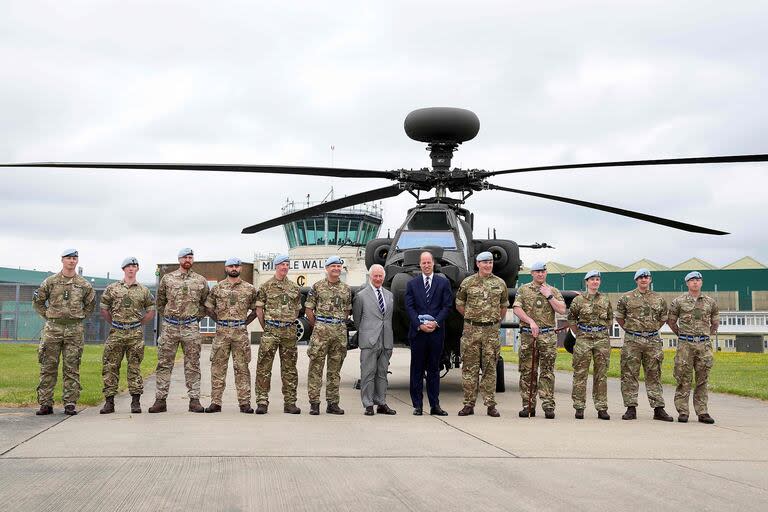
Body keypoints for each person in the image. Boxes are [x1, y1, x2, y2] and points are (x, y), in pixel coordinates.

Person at [32, 248, 96, 415]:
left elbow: (90, 305)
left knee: (72, 366)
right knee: (48, 366)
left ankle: (70, 403)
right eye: (68, 258)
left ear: (77, 261)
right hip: (53, 329)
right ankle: (46, 403)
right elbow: (38, 301)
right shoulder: (50, 282)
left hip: (74, 330)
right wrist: (48, 315)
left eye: (74, 258)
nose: (71, 261)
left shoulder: (84, 284)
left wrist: (78, 318)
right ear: (62, 260)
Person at [149, 248, 209, 413]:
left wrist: (195, 317)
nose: (188, 259)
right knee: (164, 364)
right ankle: (160, 400)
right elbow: (160, 302)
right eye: (185, 257)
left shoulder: (200, 280)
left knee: (193, 364)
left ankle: (194, 400)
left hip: (191, 327)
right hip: (170, 327)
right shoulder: (168, 279)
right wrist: (170, 318)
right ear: (179, 259)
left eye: (190, 257)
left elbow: (206, 303)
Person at [455, 251, 509, 417]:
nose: (488, 265)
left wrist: (492, 321)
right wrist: (473, 319)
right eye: (484, 262)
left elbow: (503, 306)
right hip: (471, 332)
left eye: (490, 262)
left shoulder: (500, 283)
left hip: (491, 332)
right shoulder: (468, 282)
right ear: (477, 264)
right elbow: (459, 304)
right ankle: (469, 404)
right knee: (469, 369)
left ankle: (490, 405)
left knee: (490, 369)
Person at [98, 257, 155, 414]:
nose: (131, 269)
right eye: (128, 266)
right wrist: (115, 323)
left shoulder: (144, 291)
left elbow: (151, 310)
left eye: (134, 266)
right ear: (123, 269)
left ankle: (135, 402)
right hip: (116, 332)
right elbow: (104, 308)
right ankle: (109, 402)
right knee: (110, 366)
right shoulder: (112, 288)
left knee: (134, 367)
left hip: (135, 334)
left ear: (137, 269)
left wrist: (139, 324)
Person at [615, 268, 673, 421]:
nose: (643, 279)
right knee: (629, 374)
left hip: (652, 341)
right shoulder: (626, 298)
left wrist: (651, 330)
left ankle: (658, 409)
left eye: (646, 277)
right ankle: (630, 408)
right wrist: (631, 330)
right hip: (632, 340)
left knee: (654, 374)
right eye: (640, 277)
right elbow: (620, 318)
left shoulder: (658, 299)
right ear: (636, 280)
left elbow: (663, 319)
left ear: (650, 280)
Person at [204, 257, 258, 414]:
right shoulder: (217, 288)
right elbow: (208, 307)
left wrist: (243, 323)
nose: (234, 268)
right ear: (226, 268)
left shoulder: (249, 289)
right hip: (222, 333)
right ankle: (215, 402)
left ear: (240, 268)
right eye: (231, 266)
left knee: (242, 367)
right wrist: (220, 321)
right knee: (218, 367)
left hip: (240, 333)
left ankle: (244, 403)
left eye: (237, 266)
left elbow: (256, 310)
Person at [512, 261, 566, 419]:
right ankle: (528, 406)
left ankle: (548, 405)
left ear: (546, 273)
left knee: (547, 371)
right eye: (537, 272)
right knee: (528, 371)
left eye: (543, 271)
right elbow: (516, 308)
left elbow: (562, 309)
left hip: (548, 335)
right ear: (532, 274)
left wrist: (549, 296)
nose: (540, 274)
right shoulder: (524, 289)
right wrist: (530, 321)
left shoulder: (553, 290)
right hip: (529, 335)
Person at [405, 251, 454, 416]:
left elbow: (447, 306)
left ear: (433, 264)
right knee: (416, 369)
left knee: (433, 370)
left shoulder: (442, 283)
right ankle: (417, 405)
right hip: (418, 333)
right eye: (423, 263)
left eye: (429, 262)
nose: (426, 265)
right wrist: (419, 325)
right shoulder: (412, 284)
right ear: (420, 264)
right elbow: (409, 307)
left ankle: (435, 405)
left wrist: (436, 322)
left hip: (435, 333)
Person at [667, 271, 719, 424]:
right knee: (683, 377)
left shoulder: (710, 302)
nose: (695, 282)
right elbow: (671, 321)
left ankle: (702, 412)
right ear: (687, 283)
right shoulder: (679, 301)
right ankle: (683, 411)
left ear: (701, 283)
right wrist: (682, 336)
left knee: (702, 378)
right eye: (692, 280)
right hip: (685, 344)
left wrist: (708, 335)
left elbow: (715, 321)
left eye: (698, 280)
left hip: (703, 344)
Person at [254, 254, 302, 414]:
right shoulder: (266, 286)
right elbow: (259, 310)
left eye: (287, 264)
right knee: (264, 367)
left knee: (289, 368)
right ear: (276, 266)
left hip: (288, 331)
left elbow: (297, 310)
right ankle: (262, 401)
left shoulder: (294, 288)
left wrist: (288, 322)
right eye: (282, 264)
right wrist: (266, 327)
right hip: (271, 331)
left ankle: (290, 403)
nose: (285, 267)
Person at [304, 256, 353, 415]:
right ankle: (314, 403)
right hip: (321, 331)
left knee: (334, 370)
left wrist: (337, 323)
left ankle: (332, 403)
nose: (336, 269)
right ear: (327, 268)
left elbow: (347, 311)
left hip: (338, 332)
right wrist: (318, 326)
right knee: (316, 368)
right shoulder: (317, 287)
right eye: (333, 266)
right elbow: (309, 310)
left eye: (339, 266)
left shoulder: (346, 289)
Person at [568, 270, 612, 420]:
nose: (595, 282)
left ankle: (601, 407)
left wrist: (600, 331)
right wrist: (580, 333)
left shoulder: (605, 300)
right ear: (586, 282)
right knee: (580, 373)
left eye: (597, 279)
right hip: (583, 339)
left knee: (601, 375)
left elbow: (610, 319)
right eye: (592, 279)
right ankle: (579, 407)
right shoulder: (578, 300)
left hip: (601, 339)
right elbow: (572, 319)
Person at [352, 264, 396, 416]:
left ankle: (381, 402)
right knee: (368, 373)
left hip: (386, 339)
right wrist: (366, 334)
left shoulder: (390, 295)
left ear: (383, 277)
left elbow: (388, 318)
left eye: (380, 276)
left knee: (382, 373)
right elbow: (357, 320)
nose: (378, 279)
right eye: (375, 276)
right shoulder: (361, 295)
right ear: (370, 277)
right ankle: (368, 404)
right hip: (369, 339)